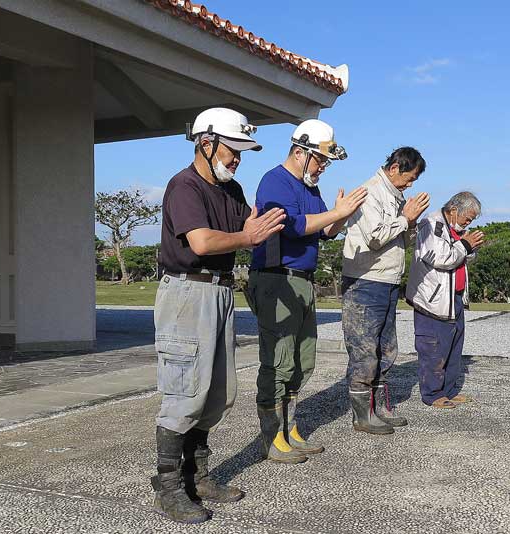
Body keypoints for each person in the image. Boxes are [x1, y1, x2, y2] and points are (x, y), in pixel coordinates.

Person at [152, 108, 285, 524]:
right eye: (233, 151)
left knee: (218, 392)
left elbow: (251, 222)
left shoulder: (231, 189)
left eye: (242, 153)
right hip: (187, 293)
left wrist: (275, 222)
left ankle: (198, 475)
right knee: (185, 393)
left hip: (221, 291)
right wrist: (249, 236)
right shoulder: (183, 186)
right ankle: (169, 486)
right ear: (206, 144)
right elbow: (203, 241)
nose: (237, 160)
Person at [248, 119, 367, 463]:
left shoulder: (309, 187)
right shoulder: (275, 181)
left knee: (303, 358)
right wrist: (336, 212)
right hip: (276, 278)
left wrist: (342, 216)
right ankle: (271, 436)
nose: (323, 167)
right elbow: (294, 225)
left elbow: (324, 230)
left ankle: (290, 427)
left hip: (302, 279)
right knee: (279, 360)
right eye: (320, 160)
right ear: (299, 152)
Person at [341, 147, 430, 434]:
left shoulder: (394, 195)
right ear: (394, 168)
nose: (410, 183)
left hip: (387, 281)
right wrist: (406, 218)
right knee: (365, 349)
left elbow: (403, 235)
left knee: (386, 349)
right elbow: (375, 237)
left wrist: (411, 221)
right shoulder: (370, 192)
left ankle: (377, 408)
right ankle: (362, 416)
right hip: (365, 281)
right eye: (409, 177)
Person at [405, 192, 485, 409]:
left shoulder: (454, 229)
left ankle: (448, 391)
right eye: (467, 218)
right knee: (433, 348)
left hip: (454, 298)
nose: (468, 223)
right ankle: (432, 394)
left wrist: (470, 248)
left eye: (471, 220)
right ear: (454, 210)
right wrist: (465, 246)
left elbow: (460, 257)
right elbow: (440, 258)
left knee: (453, 348)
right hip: (432, 300)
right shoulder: (432, 224)